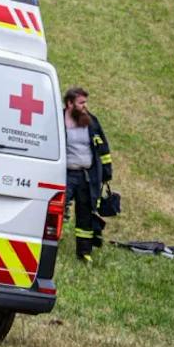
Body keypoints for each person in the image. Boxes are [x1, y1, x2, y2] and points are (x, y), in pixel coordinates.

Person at [63, 86, 115, 261]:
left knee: (85, 213)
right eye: (81, 102)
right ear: (70, 103)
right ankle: (51, 240)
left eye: (85, 102)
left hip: (86, 176)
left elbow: (103, 147)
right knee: (59, 206)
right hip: (67, 175)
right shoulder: (59, 119)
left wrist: (106, 172)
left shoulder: (91, 121)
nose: (85, 106)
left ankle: (84, 252)